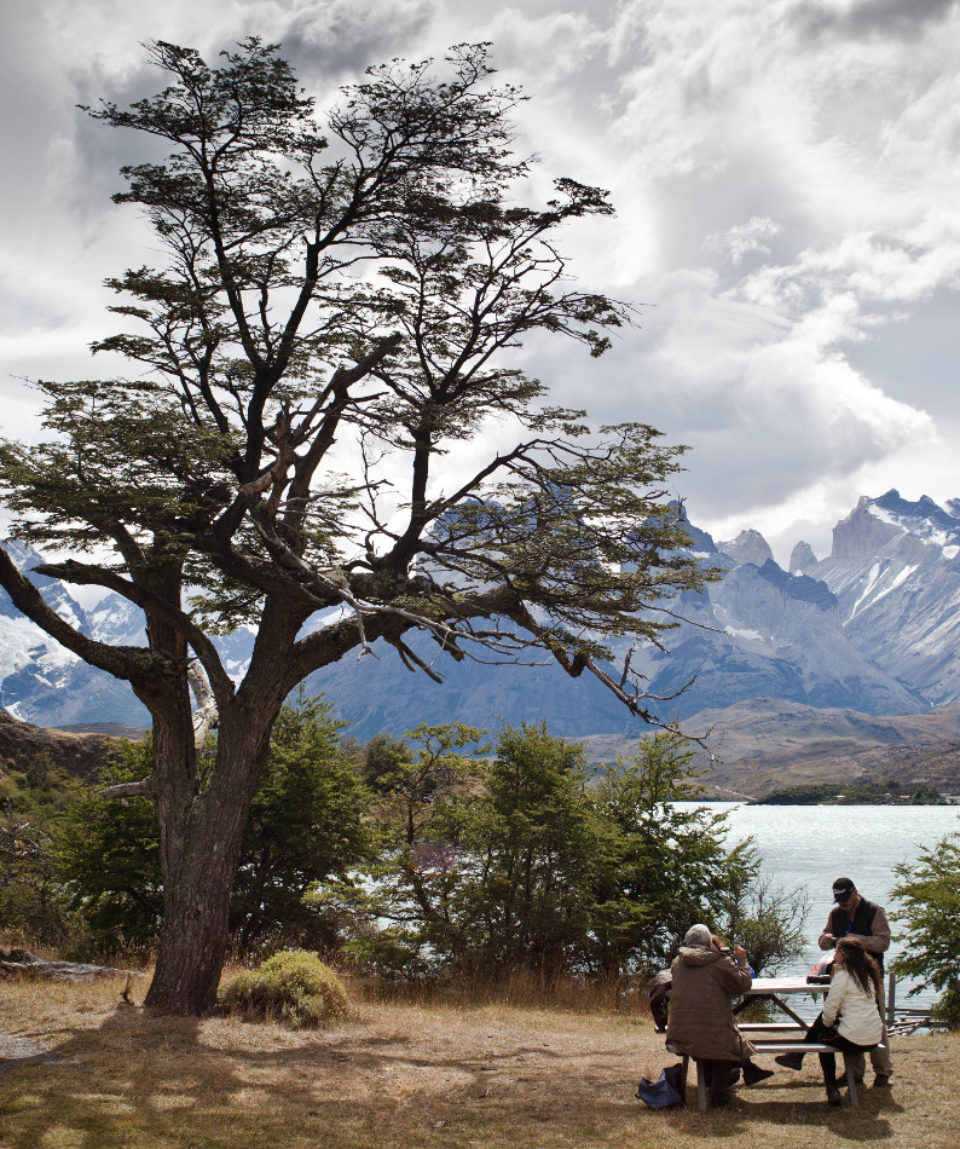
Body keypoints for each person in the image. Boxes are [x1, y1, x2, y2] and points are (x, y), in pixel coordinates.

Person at [665, 924, 772, 1106]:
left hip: (679, 1033)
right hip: (710, 1035)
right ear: (708, 942)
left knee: (714, 1035)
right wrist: (743, 961)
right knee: (725, 1042)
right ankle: (719, 1094)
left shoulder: (677, 963)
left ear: (688, 943)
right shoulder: (718, 962)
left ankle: (729, 1080)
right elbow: (743, 985)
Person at [778, 937, 883, 1106]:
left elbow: (830, 1009)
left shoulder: (843, 975)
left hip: (855, 1039)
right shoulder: (867, 976)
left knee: (822, 1038)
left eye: (837, 951)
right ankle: (797, 1056)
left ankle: (831, 1088)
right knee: (824, 1024)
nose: (834, 955)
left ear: (845, 955)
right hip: (874, 1037)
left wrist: (826, 1027)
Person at [818, 876, 893, 1087]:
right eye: (839, 900)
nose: (843, 904)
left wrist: (855, 940)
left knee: (876, 1020)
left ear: (855, 892)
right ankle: (855, 1074)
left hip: (870, 976)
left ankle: (883, 1071)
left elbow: (883, 942)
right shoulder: (836, 913)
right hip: (842, 976)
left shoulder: (874, 911)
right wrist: (825, 939)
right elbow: (824, 938)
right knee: (846, 1019)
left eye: (845, 899)